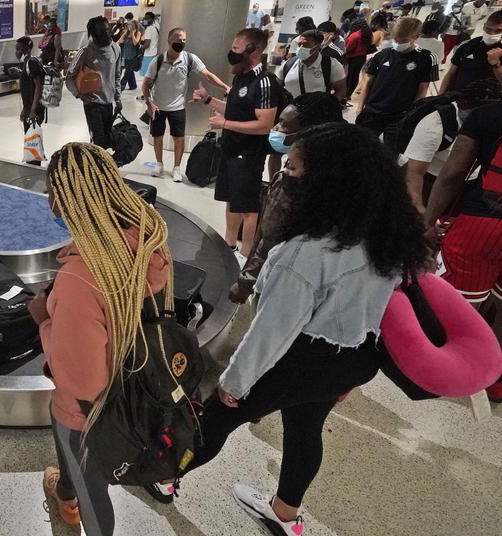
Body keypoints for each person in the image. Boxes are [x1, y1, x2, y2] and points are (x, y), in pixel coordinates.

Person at [192, 123, 431, 536]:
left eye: (295, 170)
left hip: (298, 360)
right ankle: (285, 515)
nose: (285, 177)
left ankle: (160, 473)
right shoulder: (386, 233)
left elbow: (272, 332)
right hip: (352, 358)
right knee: (305, 428)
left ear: (327, 182)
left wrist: (234, 383)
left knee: (213, 423)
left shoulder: (304, 253)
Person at [30, 142, 172, 535]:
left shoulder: (80, 278)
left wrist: (45, 320)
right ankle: (63, 488)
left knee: (91, 486)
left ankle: (76, 506)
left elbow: (82, 383)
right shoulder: (146, 242)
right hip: (138, 387)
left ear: (66, 198)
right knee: (75, 470)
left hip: (91, 413)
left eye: (50, 191)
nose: (48, 201)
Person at [230, 92, 346, 304]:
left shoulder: (293, 182)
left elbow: (270, 237)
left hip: (278, 284)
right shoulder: (341, 175)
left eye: (283, 125)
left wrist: (245, 282)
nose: (275, 129)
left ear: (308, 132)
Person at [423, 101, 502, 402]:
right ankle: (496, 378)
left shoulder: (488, 114)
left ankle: (444, 371)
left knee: (455, 303)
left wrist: (429, 221)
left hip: (482, 224)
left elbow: (453, 173)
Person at [194, 27, 285, 260]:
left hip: (249, 153)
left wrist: (225, 124)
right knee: (231, 200)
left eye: (236, 48)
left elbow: (264, 124)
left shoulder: (265, 82)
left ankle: (245, 255)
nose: (232, 53)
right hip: (231, 148)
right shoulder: (240, 77)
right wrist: (208, 100)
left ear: (253, 50)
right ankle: (229, 244)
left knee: (247, 206)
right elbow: (235, 111)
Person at [402, 78, 502, 213]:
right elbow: (414, 172)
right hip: (430, 180)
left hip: (469, 183)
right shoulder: (436, 124)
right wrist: (419, 208)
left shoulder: (492, 123)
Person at [143, 27, 230, 182]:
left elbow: (208, 75)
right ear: (169, 41)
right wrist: (149, 103)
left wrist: (225, 87)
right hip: (158, 106)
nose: (181, 43)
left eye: (184, 40)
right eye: (178, 40)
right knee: (158, 136)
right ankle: (159, 164)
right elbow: (146, 84)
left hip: (178, 107)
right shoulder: (157, 61)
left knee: (179, 138)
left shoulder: (189, 59)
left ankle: (176, 168)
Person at [357, 17, 438, 150]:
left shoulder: (427, 58)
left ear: (416, 36)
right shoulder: (382, 55)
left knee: (390, 153)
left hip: (399, 116)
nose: (398, 43)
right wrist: (360, 108)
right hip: (372, 112)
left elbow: (422, 91)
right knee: (362, 148)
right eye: (396, 39)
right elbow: (367, 83)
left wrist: (411, 116)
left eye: (404, 40)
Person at [66, 16, 122, 150]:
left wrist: (118, 99)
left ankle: (101, 165)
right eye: (102, 31)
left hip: (108, 102)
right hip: (93, 104)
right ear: (94, 33)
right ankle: (96, 167)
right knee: (99, 141)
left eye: (108, 30)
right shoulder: (86, 51)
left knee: (107, 140)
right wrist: (79, 95)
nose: (107, 33)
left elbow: (117, 76)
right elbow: (69, 77)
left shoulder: (116, 49)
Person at [439, 10, 502, 93]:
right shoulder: (468, 44)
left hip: (485, 102)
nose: (491, 33)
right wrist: (440, 96)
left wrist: (496, 64)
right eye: (488, 29)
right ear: (484, 26)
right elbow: (451, 73)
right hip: (457, 96)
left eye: (498, 31)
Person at [277, 30, 347, 100]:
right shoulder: (288, 64)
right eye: (299, 45)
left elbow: (340, 90)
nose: (300, 48)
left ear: (317, 46)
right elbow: (276, 87)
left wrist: (328, 106)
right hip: (291, 109)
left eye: (305, 45)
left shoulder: (330, 65)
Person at [16, 36, 46, 129]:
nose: (16, 52)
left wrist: (33, 110)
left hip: (35, 108)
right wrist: (24, 109)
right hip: (29, 107)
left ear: (26, 49)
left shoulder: (32, 63)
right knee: (30, 138)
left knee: (33, 139)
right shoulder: (26, 62)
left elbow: (38, 87)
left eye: (18, 49)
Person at [344, 19, 374, 101]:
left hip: (351, 58)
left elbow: (348, 48)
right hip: (362, 58)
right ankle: (349, 94)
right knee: (355, 77)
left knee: (348, 77)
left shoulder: (355, 35)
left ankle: (344, 94)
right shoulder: (368, 34)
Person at [118, 21, 143, 92]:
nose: (130, 27)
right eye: (129, 25)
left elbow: (135, 43)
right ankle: (133, 85)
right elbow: (119, 42)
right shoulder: (125, 33)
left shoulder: (138, 33)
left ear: (135, 26)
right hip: (126, 55)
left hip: (133, 56)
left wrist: (132, 34)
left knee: (127, 72)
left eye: (132, 26)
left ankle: (121, 86)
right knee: (130, 71)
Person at [139, 12, 161, 77]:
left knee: (146, 76)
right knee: (153, 74)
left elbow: (147, 45)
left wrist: (141, 47)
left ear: (152, 19)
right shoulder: (157, 26)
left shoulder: (149, 29)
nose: (145, 20)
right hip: (155, 53)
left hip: (148, 54)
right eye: (145, 18)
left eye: (148, 18)